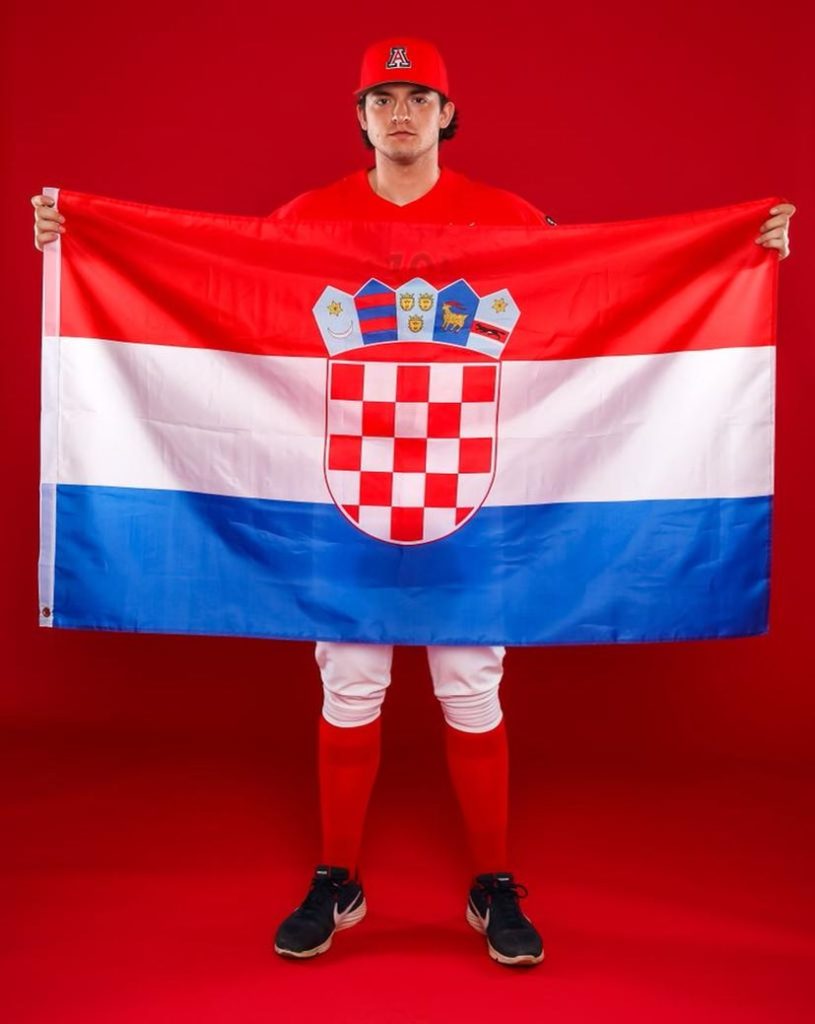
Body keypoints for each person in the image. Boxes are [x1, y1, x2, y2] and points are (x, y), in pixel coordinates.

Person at [32, 36, 796, 969]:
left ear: (446, 114)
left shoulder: (509, 217)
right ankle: (336, 878)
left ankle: (493, 882)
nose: (401, 113)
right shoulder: (305, 219)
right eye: (383, 98)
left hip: (472, 502)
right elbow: (222, 289)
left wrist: (733, 252)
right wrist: (81, 240)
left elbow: (604, 286)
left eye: (418, 98)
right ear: (360, 118)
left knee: (470, 680)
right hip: (341, 499)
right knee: (350, 678)